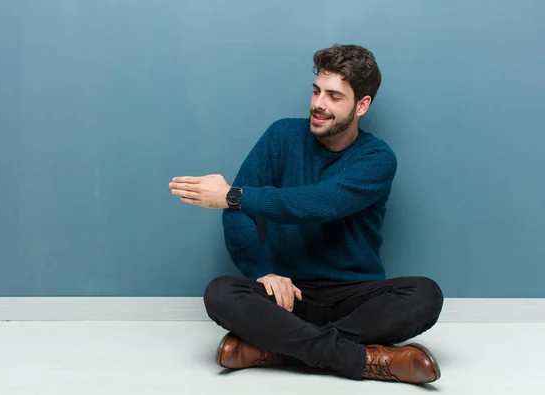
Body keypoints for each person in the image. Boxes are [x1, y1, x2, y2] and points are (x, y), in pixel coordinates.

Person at [168, 44, 444, 384]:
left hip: (354, 297)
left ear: (362, 105)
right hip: (286, 295)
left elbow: (317, 203)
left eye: (333, 96)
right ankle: (362, 358)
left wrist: (232, 195)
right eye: (316, 91)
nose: (318, 104)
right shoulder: (281, 136)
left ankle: (276, 348)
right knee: (220, 293)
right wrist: (262, 270)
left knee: (425, 295)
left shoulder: (377, 159)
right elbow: (237, 214)